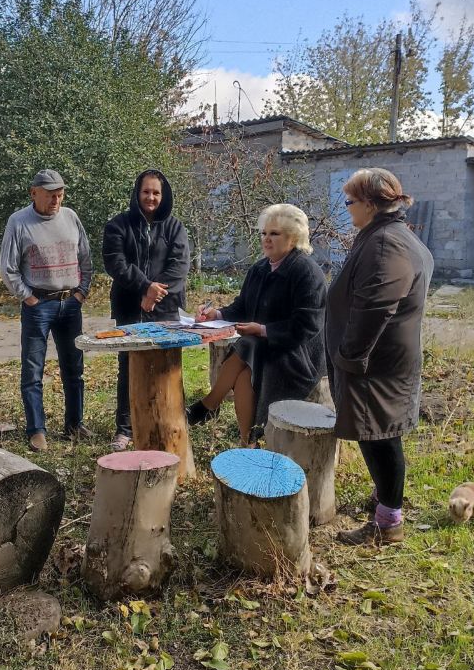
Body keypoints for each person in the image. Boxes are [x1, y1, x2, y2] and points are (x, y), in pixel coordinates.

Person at [327, 168, 433, 546]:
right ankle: (385, 499)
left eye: (350, 202)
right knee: (380, 433)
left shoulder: (387, 242)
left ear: (370, 204)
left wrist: (349, 357)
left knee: (380, 436)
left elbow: (375, 308)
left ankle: (388, 523)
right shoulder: (387, 236)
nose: (347, 209)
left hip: (376, 364)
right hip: (380, 361)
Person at [187, 204, 327, 445]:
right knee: (245, 370)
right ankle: (247, 441)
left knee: (250, 343)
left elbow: (307, 326)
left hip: (298, 355)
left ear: (293, 238)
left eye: (275, 234)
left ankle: (211, 404)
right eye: (264, 233)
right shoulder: (259, 268)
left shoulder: (307, 272)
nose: (267, 239)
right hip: (263, 350)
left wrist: (263, 330)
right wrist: (215, 313)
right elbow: (242, 306)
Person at [0, 169, 92, 453]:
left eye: (60, 193)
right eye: (50, 194)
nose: (56, 199)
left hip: (70, 303)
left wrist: (81, 291)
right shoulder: (19, 222)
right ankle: (36, 430)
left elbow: (85, 257)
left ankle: (74, 424)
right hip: (38, 305)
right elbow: (8, 267)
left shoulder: (71, 217)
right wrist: (27, 298)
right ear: (33, 193)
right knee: (32, 370)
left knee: (74, 368)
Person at [102, 169, 190, 451]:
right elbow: (115, 262)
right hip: (130, 307)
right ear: (137, 193)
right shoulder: (118, 225)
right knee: (129, 367)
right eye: (146, 192)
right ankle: (125, 429)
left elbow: (178, 268)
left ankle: (169, 420)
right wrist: (144, 288)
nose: (150, 197)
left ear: (163, 196)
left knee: (166, 366)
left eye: (156, 192)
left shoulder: (175, 228)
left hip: (165, 309)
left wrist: (154, 295)